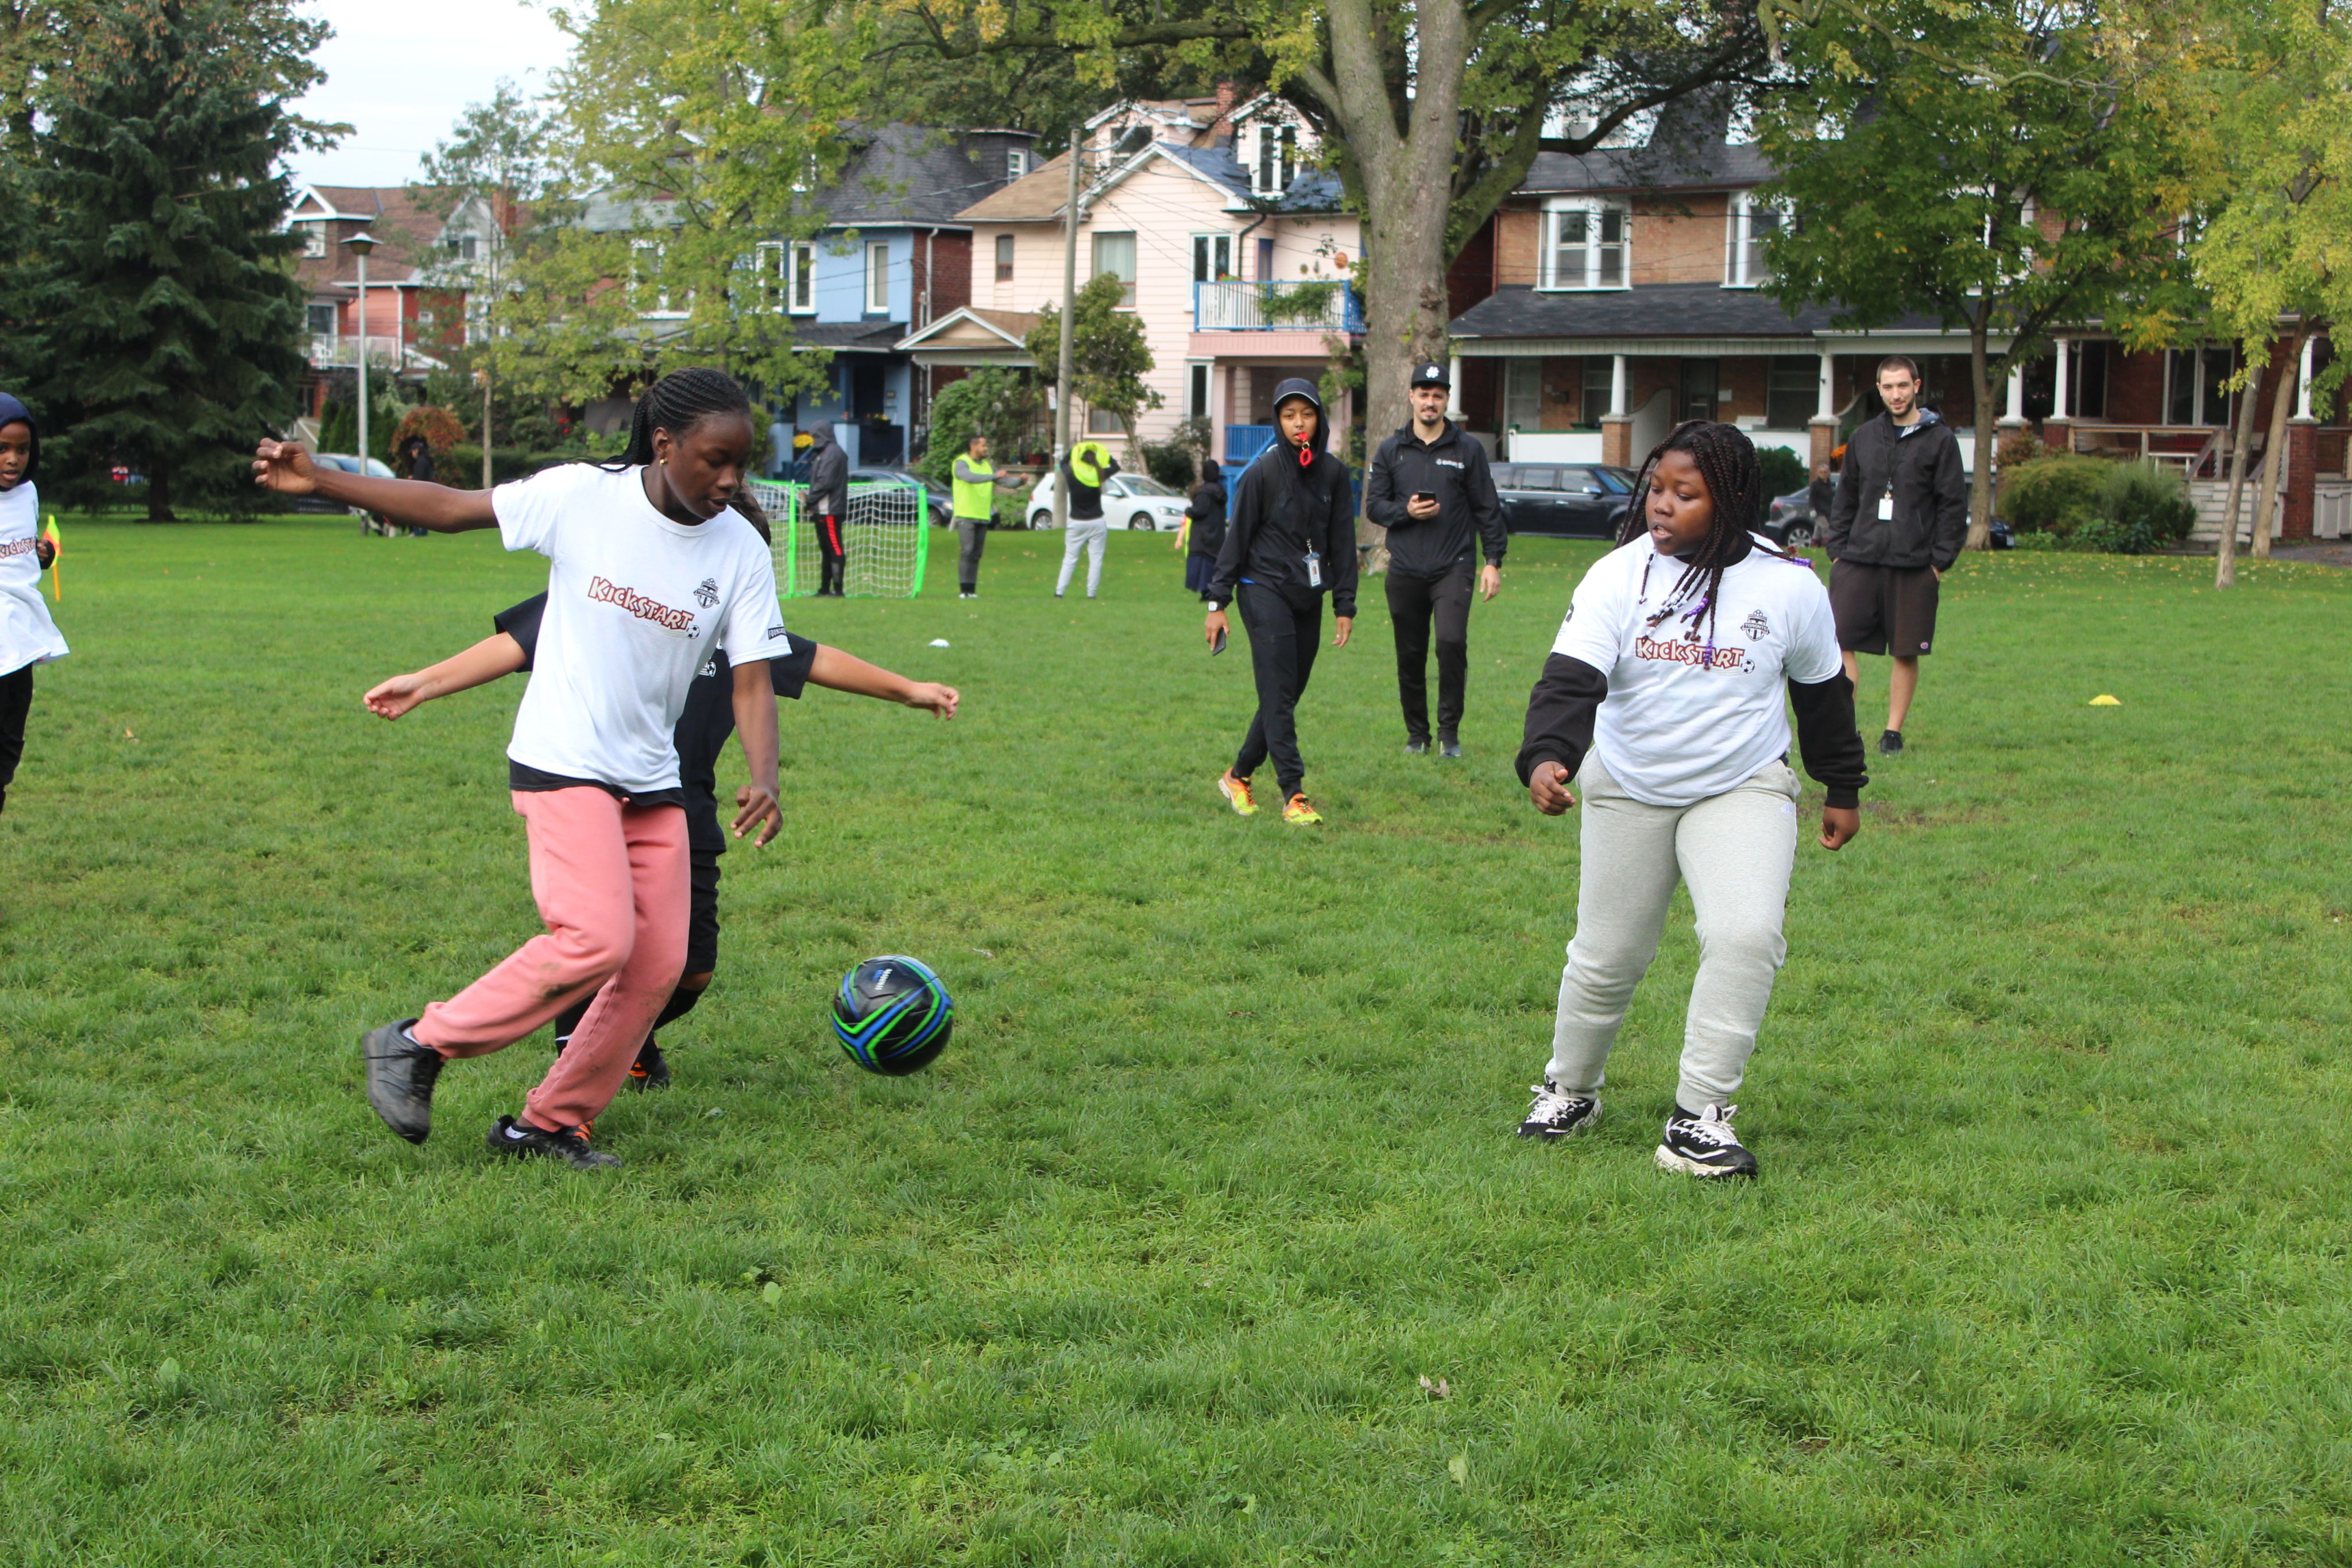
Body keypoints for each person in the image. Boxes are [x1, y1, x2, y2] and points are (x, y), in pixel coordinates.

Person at [252, 367, 794, 1171]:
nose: (730, 480)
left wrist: (765, 774)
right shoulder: (583, 497)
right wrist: (327, 480)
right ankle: (416, 1041)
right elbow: (451, 508)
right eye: (715, 460)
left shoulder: (740, 548)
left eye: (741, 464)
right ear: (665, 443)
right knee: (596, 938)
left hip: (652, 777)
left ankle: (549, 1124)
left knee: (657, 963)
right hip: (563, 757)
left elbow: (752, 676)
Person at [362, 555, 959, 1091]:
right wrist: (425, 682)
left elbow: (814, 659)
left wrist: (907, 689)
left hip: (686, 808)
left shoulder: (736, 625)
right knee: (599, 942)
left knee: (691, 971)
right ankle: (571, 1063)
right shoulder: (610, 593)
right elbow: (517, 643)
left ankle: (626, 1039)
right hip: (598, 793)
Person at [1515, 420, 1868, 1180]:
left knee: (1746, 935)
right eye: (1656, 490)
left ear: (1734, 501)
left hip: (1741, 784)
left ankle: (1697, 1119)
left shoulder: (1788, 585)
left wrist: (1843, 783)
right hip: (1630, 783)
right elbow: (1571, 679)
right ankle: (1570, 1088)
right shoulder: (1618, 576)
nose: (1661, 507)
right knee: (1608, 955)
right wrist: (1548, 755)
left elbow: (1823, 694)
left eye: (1686, 494)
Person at [1202, 379, 1356, 827]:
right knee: (1278, 694)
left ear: (1318, 419)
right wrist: (1218, 601)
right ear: (1278, 421)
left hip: (1307, 594)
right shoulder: (1261, 473)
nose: (1298, 424)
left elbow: (1344, 544)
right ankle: (1294, 793)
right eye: (1288, 416)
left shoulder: (1333, 474)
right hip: (1261, 587)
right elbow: (1236, 540)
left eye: (1305, 414)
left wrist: (1344, 604)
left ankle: (1238, 775)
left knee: (1284, 695)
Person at [1818, 355, 1968, 756]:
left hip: (1914, 565)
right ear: (1879, 389)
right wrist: (1838, 552)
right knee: (1839, 644)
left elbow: (1953, 504)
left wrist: (1938, 563)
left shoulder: (1940, 439)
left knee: (1905, 651)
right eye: (1888, 387)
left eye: (1903, 386)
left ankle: (1892, 733)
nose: (1896, 394)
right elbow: (1845, 495)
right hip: (1858, 561)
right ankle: (1846, 730)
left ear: (1917, 386)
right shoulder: (1865, 436)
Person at [1364, 361, 1506, 758]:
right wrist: (1405, 512)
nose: (1430, 401)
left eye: (1438, 395)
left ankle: (1449, 734)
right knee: (1410, 654)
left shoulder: (1468, 449)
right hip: (1405, 567)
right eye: (1423, 394)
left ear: (1446, 400)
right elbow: (1374, 506)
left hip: (1453, 567)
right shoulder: (1392, 449)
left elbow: (1487, 507)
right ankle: (1416, 735)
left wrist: (1492, 560)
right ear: (1411, 397)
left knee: (1450, 642)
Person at [0, 393, 66, 819]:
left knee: (8, 748)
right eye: (2, 448)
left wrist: (41, 554)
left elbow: (21, 549)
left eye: (22, 449)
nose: (13, 459)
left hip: (20, 640)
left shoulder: (27, 494)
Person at [950, 433, 1022, 599]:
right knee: (967, 551)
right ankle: (963, 591)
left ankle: (971, 590)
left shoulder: (988, 465)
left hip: (982, 514)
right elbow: (969, 478)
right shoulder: (961, 463)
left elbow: (1004, 481)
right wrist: (993, 477)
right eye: (983, 446)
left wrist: (1021, 482)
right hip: (965, 514)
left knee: (976, 554)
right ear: (973, 446)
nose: (986, 448)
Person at [1055, 437, 1117, 599]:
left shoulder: (1072, 474)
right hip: (1097, 521)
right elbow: (1116, 466)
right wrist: (1105, 455)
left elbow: (1063, 463)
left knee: (1070, 559)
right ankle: (1091, 594)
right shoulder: (1100, 474)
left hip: (1076, 522)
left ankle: (1059, 592)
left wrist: (1075, 449)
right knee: (1095, 560)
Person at [804, 421, 850, 597]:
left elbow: (825, 482)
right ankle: (825, 589)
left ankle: (837, 590)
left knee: (834, 547)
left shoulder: (832, 453)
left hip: (829, 509)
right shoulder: (827, 453)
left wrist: (810, 500)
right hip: (823, 509)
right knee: (827, 548)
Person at [1178, 457, 1227, 599]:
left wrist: (1188, 511)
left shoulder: (1204, 492)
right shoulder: (1221, 491)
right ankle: (1213, 589)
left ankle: (1205, 591)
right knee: (1213, 562)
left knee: (1201, 561)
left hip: (1202, 534)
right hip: (1216, 532)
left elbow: (1200, 511)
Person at [399, 435, 435, 537]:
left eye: (413, 451)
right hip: (428, 490)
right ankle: (424, 532)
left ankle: (416, 532)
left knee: (415, 512)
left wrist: (411, 479)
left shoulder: (421, 462)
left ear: (416, 450)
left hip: (420, 491)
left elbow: (418, 479)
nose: (412, 454)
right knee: (425, 513)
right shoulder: (427, 460)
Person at [1806, 459, 1833, 528]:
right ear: (1818, 473)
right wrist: (1812, 510)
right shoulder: (1815, 485)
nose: (1823, 474)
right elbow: (1811, 498)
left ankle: (1815, 539)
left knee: (1818, 532)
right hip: (1819, 512)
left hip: (1828, 512)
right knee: (1826, 530)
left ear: (1828, 473)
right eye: (1821, 472)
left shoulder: (1830, 484)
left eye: (1825, 472)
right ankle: (1826, 539)